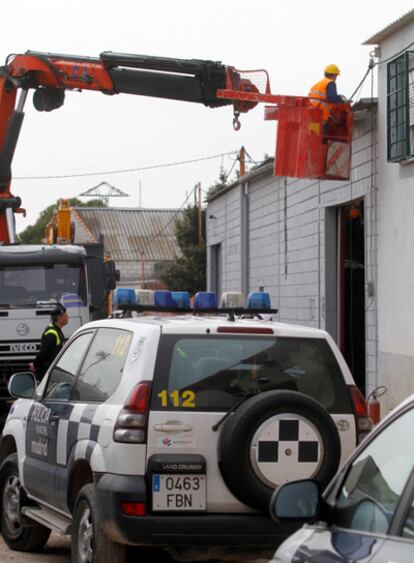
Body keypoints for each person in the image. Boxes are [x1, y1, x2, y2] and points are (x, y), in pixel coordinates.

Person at [30, 304, 69, 379]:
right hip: (48, 374)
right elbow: (43, 353)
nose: (68, 317)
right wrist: (35, 365)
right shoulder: (51, 333)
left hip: (54, 373)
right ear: (59, 317)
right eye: (66, 315)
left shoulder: (57, 330)